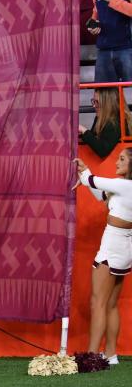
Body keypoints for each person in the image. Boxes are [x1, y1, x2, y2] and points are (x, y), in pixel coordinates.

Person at [76, 152, 132, 366]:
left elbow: (92, 181)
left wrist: (84, 175)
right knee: (110, 304)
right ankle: (110, 354)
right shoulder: (122, 186)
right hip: (124, 246)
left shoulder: (127, 186)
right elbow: (100, 195)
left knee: (97, 302)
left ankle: (91, 357)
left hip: (114, 245)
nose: (117, 162)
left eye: (122, 159)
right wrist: (84, 171)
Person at [88, 0, 132, 83]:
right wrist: (93, 24)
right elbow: (96, 10)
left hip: (127, 49)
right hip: (103, 50)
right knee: (104, 97)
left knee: (130, 95)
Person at [80, 87, 129, 158]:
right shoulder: (100, 118)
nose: (94, 106)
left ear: (108, 104)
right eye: (93, 101)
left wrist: (84, 131)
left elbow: (103, 150)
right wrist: (82, 134)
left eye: (97, 102)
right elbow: (93, 138)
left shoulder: (116, 122)